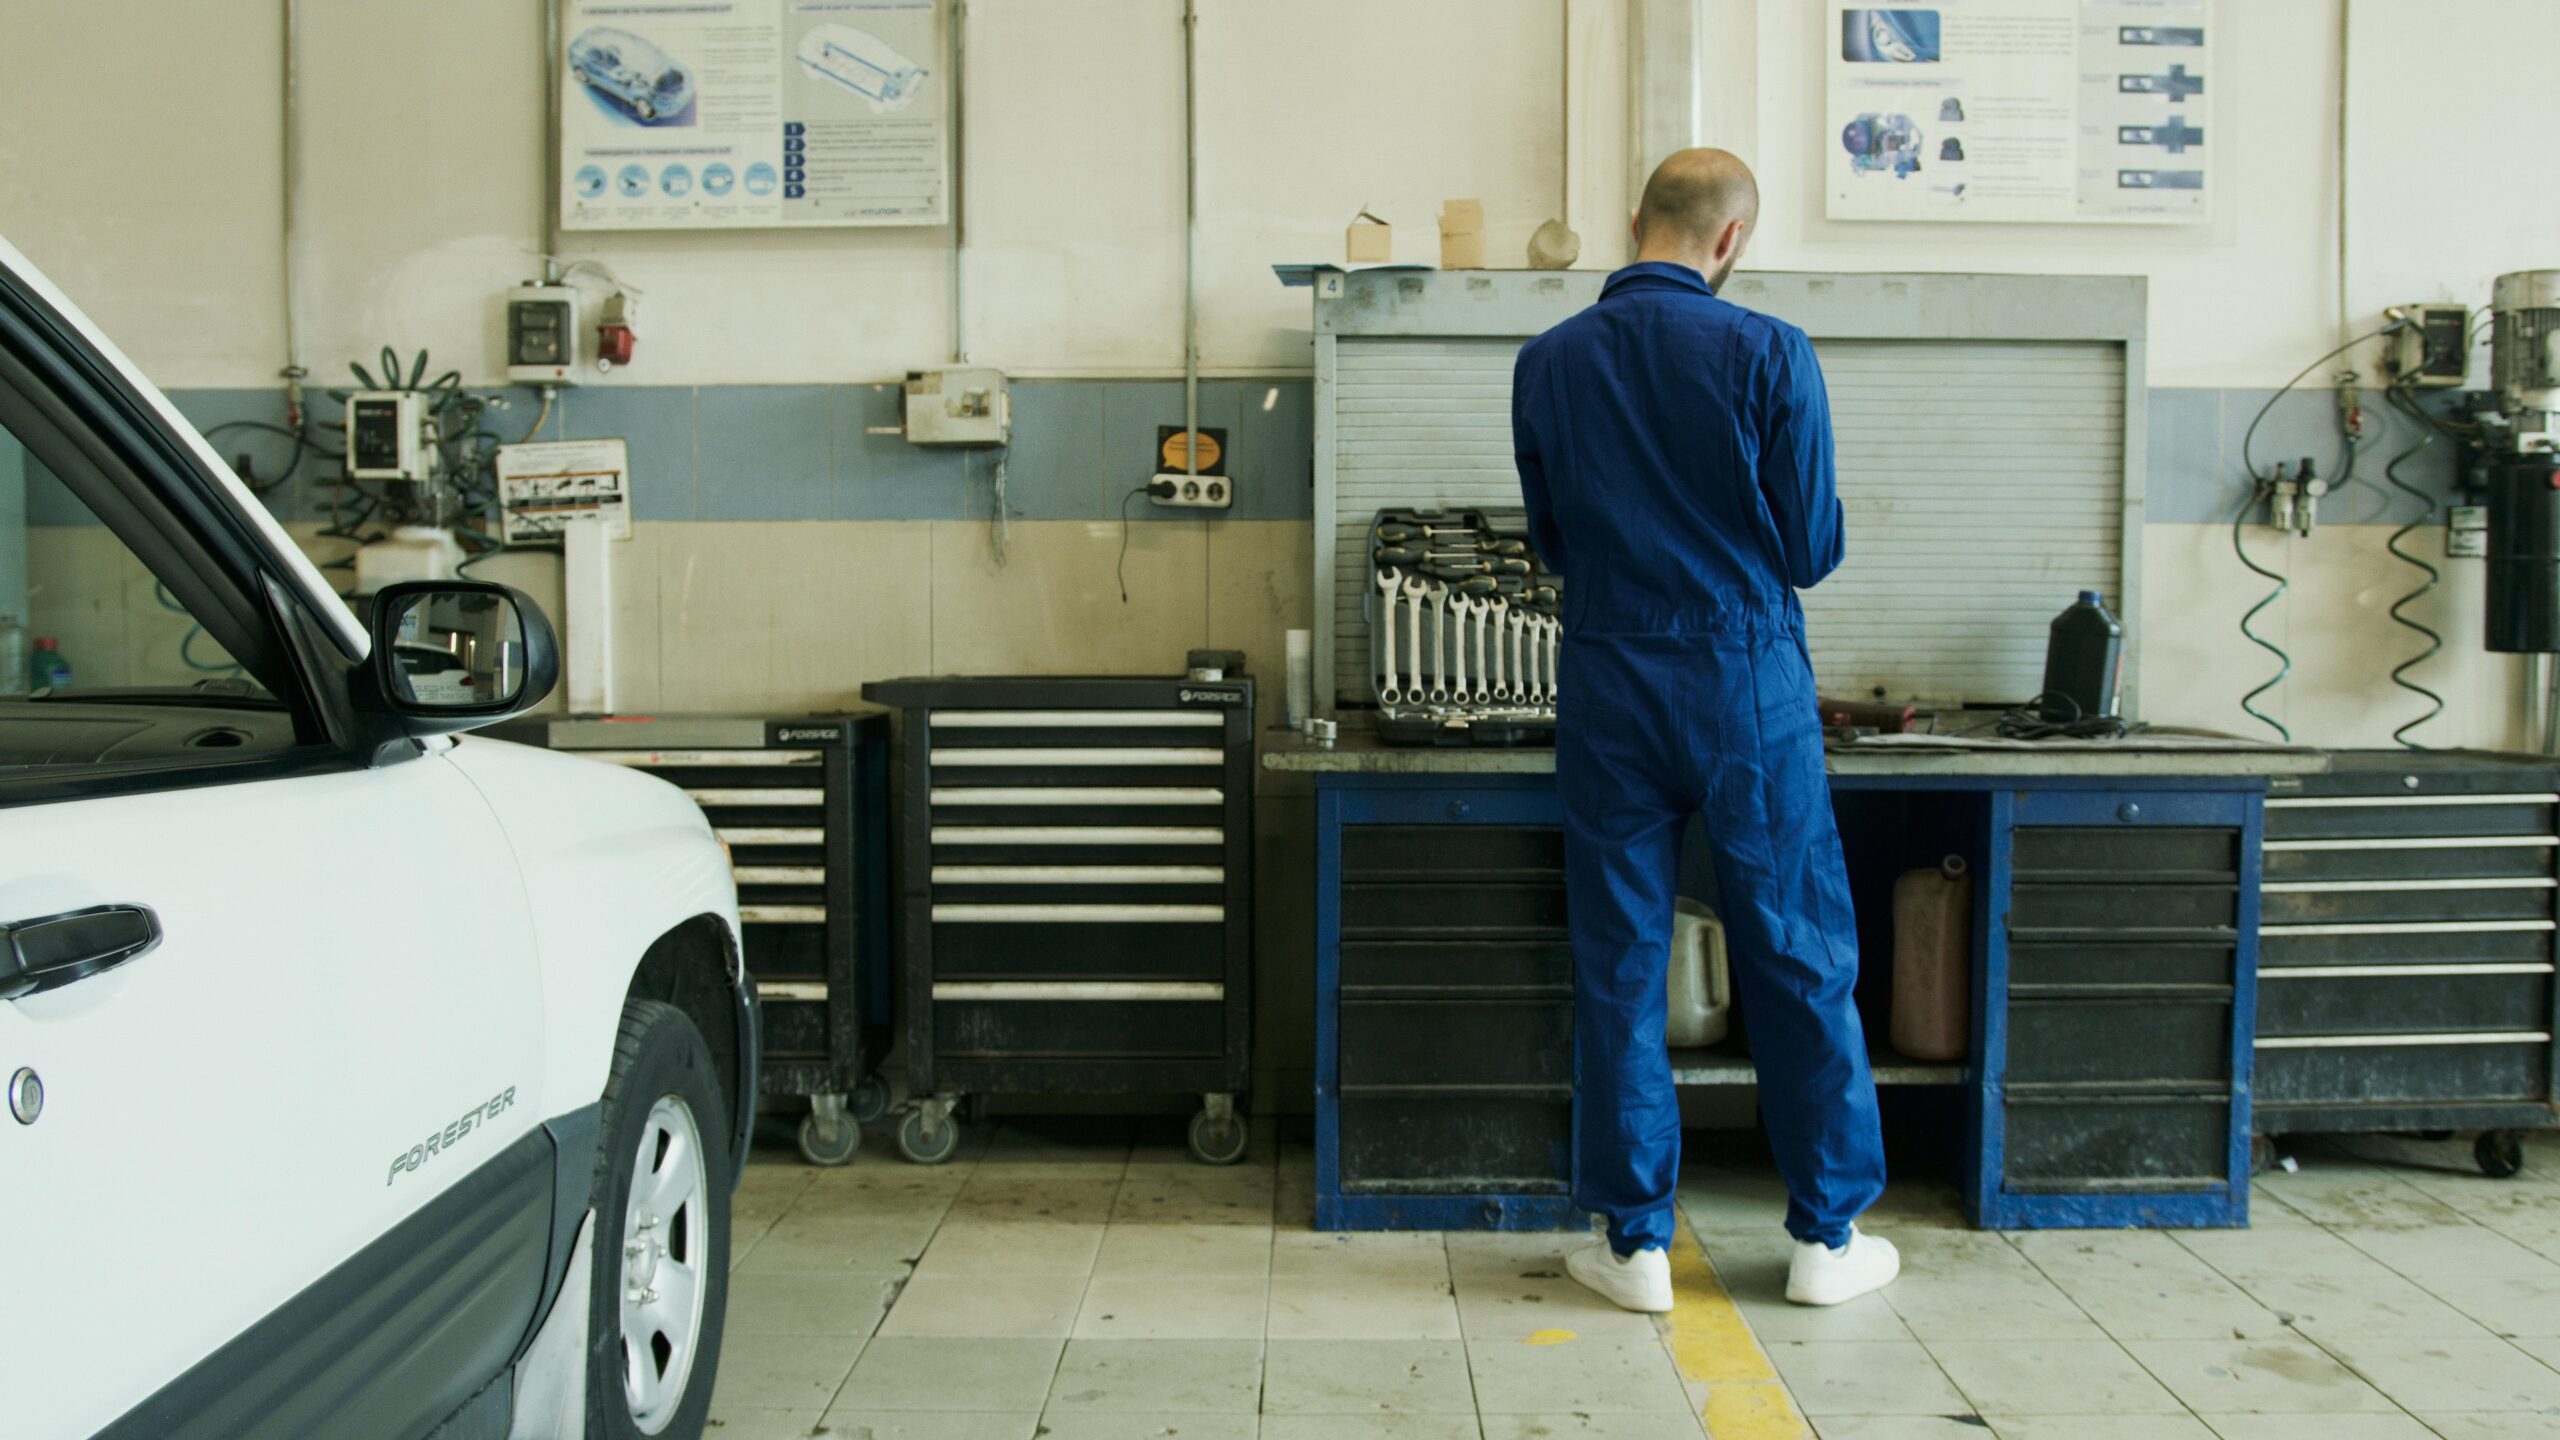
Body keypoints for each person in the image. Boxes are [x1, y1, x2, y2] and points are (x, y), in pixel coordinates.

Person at [1512, 148, 1899, 1313]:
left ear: (1636, 223)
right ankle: (1826, 1240)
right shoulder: (1768, 350)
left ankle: (1633, 1246)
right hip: (1744, 679)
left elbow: (1550, 543)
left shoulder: (1547, 360)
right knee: (1795, 948)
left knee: (1620, 958)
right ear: (1729, 241)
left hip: (1609, 677)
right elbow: (1809, 551)